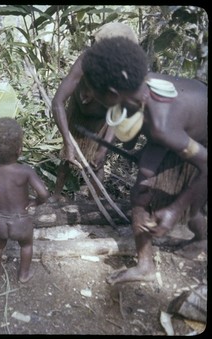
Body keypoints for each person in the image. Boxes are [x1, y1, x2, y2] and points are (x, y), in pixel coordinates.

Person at [80, 36, 207, 284]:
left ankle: (200, 238)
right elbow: (129, 119)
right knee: (142, 192)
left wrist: (174, 210)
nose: (89, 96)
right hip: (180, 131)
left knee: (191, 203)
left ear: (112, 94)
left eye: (94, 93)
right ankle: (145, 266)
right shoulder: (138, 84)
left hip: (198, 140)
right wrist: (109, 149)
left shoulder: (162, 125)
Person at [51, 22, 138, 200]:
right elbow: (58, 102)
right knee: (66, 159)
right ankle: (56, 195)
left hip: (103, 118)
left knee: (97, 163)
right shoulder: (85, 60)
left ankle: (95, 202)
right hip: (78, 113)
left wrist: (103, 149)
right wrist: (68, 142)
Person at [0, 117, 50, 283]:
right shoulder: (25, 171)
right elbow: (43, 194)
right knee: (26, 246)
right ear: (19, 149)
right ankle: (23, 275)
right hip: (21, 220)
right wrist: (35, 202)